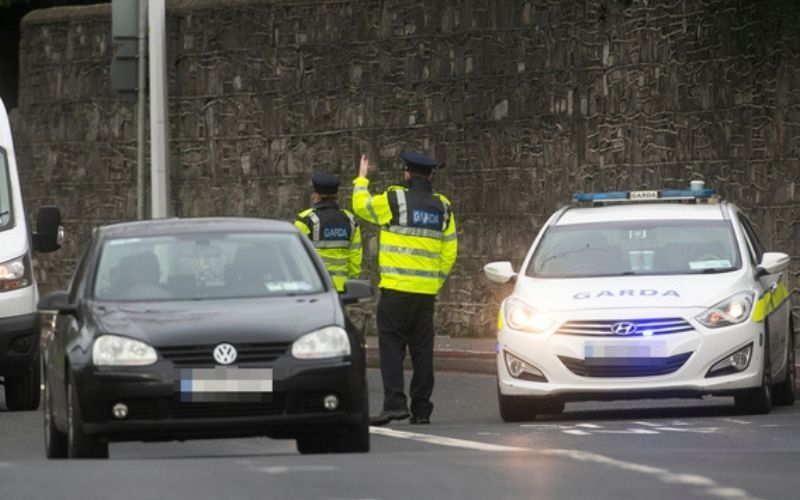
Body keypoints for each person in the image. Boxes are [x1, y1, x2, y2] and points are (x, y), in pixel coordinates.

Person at [352, 151, 457, 425]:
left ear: (407, 174)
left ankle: (395, 405)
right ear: (431, 175)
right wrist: (434, 281)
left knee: (391, 348)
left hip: (396, 289)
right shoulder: (442, 206)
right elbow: (450, 251)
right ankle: (422, 410)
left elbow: (361, 207)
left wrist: (361, 180)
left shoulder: (395, 200)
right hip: (425, 294)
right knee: (423, 352)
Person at [294, 173, 362, 292]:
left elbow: (296, 256)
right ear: (337, 195)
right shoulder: (350, 219)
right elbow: (355, 255)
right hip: (342, 287)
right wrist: (352, 281)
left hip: (314, 286)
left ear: (316, 195)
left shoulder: (305, 219)